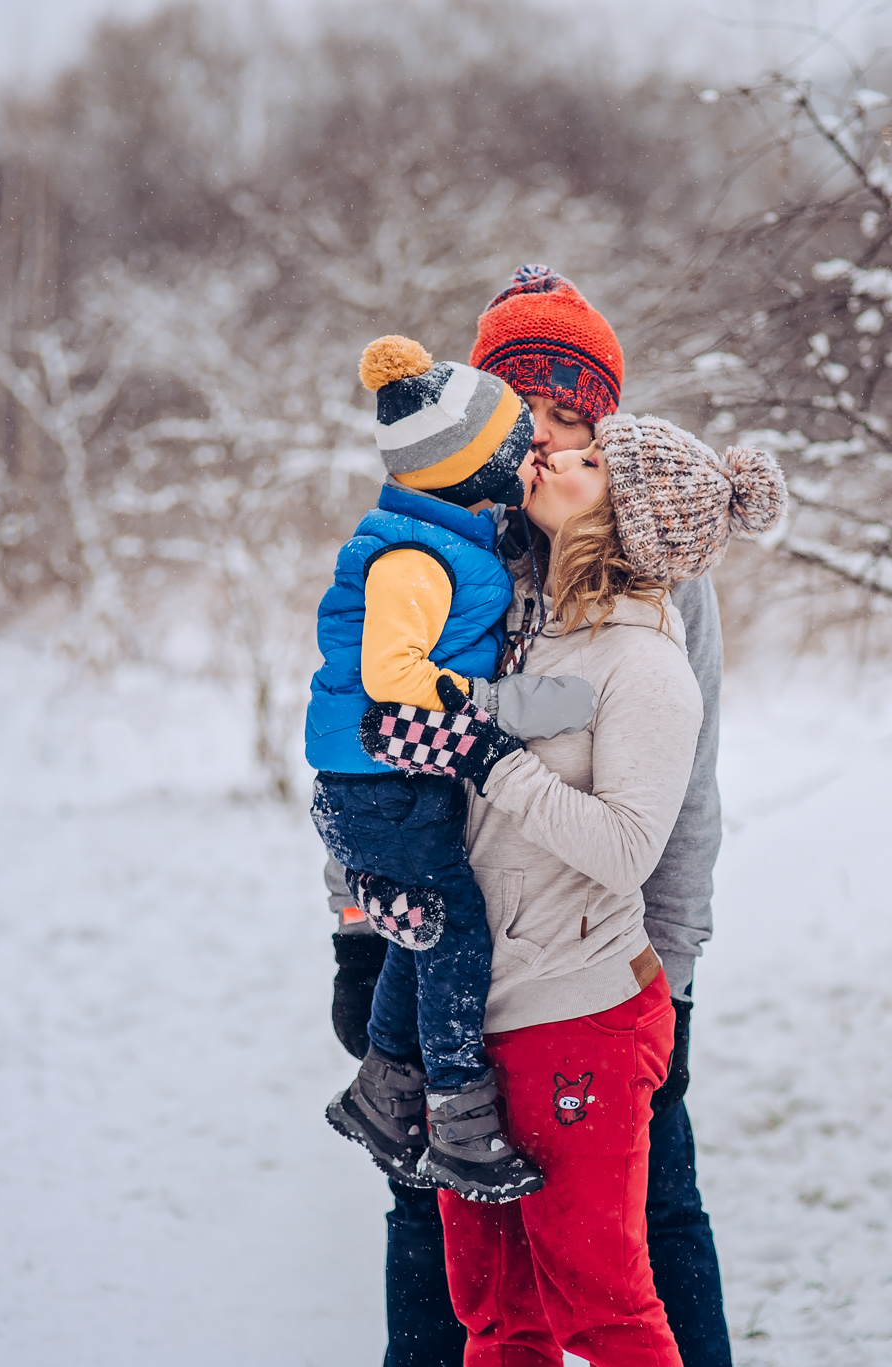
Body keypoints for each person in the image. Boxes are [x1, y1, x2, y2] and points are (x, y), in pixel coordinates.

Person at [326, 266, 737, 1366]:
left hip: (593, 976)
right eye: (530, 412)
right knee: (443, 1236)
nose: (551, 440)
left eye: (577, 419)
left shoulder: (655, 577)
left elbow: (676, 786)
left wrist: (675, 964)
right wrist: (358, 932)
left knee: (644, 1228)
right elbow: (368, 743)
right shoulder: (442, 541)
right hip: (442, 957)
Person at [310, 336, 592, 1202]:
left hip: (388, 777)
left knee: (428, 920)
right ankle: (458, 1114)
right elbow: (394, 674)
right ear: (476, 468)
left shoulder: (450, 534)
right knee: (455, 929)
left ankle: (383, 1097)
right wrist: (494, 705)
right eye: (518, 445)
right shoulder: (414, 557)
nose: (533, 456)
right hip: (379, 779)